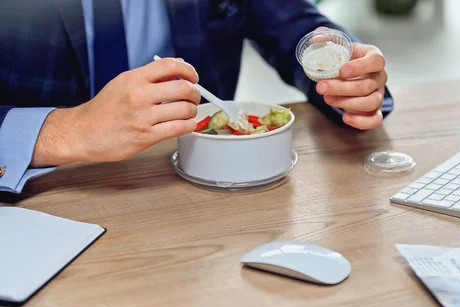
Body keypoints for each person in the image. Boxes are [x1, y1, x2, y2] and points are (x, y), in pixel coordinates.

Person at [0, 0, 394, 194]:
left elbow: (297, 25)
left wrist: (352, 76)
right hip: (46, 202)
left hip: (206, 196)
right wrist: (66, 131)